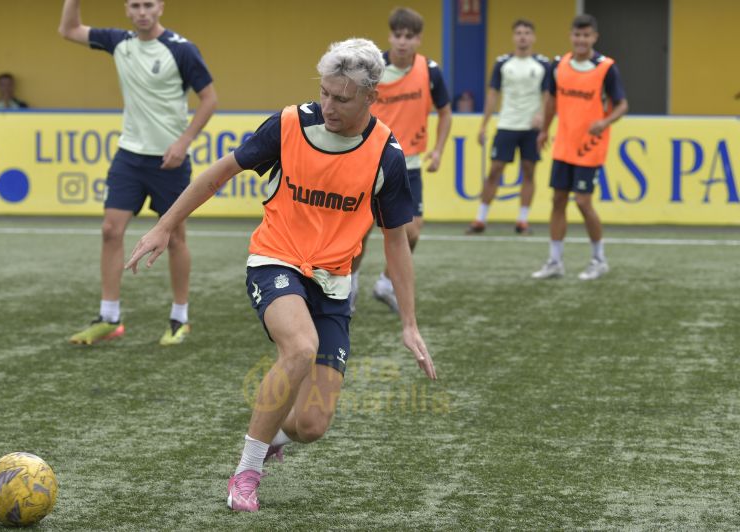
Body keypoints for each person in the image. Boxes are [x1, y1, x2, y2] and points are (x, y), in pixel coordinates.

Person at [125, 38, 436, 512]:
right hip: (276, 259)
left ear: (371, 97)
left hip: (334, 283)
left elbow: (396, 240)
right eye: (325, 93)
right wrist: (165, 226)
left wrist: (409, 322)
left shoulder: (386, 156)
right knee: (300, 347)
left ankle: (271, 435)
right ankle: (246, 473)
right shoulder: (289, 124)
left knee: (311, 425)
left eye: (342, 98)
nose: (328, 105)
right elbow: (217, 174)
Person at [59, 0, 218, 345]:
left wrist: (184, 142)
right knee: (109, 231)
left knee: (175, 238)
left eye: (148, 4)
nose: (142, 11)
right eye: (135, 5)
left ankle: (180, 318)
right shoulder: (119, 42)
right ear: (127, 10)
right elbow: (69, 30)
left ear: (160, 7)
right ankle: (109, 317)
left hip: (170, 162)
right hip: (129, 157)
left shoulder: (182, 50)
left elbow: (209, 99)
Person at [349, 6, 452, 314]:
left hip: (410, 165)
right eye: (398, 35)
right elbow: (353, 106)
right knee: (360, 232)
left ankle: (385, 282)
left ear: (419, 39)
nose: (403, 42)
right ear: (390, 36)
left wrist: (438, 150)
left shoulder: (430, 71)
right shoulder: (373, 68)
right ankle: (349, 286)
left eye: (410, 36)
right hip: (370, 162)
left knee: (412, 233)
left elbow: (445, 112)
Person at [533, 14, 628, 280]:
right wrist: (543, 130)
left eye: (586, 35)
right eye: (577, 35)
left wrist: (605, 121)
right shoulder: (559, 65)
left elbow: (622, 105)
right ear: (571, 36)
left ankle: (599, 260)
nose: (581, 40)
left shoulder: (606, 67)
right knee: (558, 200)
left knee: (584, 202)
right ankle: (555, 261)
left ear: (594, 38)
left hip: (590, 146)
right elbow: (551, 101)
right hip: (564, 144)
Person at [466, 19, 550, 235]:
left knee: (529, 171)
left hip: (531, 127)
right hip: (507, 124)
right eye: (519, 32)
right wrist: (484, 124)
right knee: (494, 170)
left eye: (527, 32)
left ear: (533, 37)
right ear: (514, 37)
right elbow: (493, 94)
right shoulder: (503, 63)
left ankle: (522, 221)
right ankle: (480, 219)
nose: (523, 36)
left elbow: (548, 95)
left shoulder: (542, 64)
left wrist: (542, 117)